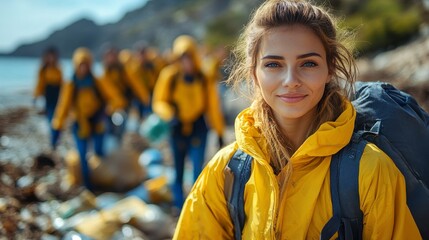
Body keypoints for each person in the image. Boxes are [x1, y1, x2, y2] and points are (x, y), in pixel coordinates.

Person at [173, 0, 421, 239]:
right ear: (253, 73)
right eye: (273, 65)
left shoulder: (370, 170)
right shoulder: (225, 172)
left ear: (330, 69)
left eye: (309, 63)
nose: (291, 80)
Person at [152, 35, 225, 211]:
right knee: (177, 171)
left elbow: (213, 107)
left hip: (198, 128)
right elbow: (158, 101)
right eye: (182, 59)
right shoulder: (169, 76)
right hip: (176, 128)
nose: (186, 63)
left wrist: (220, 131)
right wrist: (170, 115)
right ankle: (179, 206)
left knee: (197, 171)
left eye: (189, 58)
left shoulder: (204, 77)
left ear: (194, 57)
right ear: (177, 59)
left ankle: (195, 208)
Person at [52, 47, 125, 190]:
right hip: (80, 124)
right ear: (76, 65)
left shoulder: (98, 81)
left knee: (99, 153)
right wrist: (57, 127)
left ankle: (102, 179)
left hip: (98, 123)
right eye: (80, 65)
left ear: (90, 64)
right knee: (82, 155)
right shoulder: (70, 84)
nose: (83, 68)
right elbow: (63, 107)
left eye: (86, 65)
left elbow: (116, 98)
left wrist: (107, 111)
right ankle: (88, 184)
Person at [101, 46, 149, 142]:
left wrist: (145, 98)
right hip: (111, 104)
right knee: (109, 126)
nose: (111, 58)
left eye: (112, 56)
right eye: (109, 56)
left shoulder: (124, 70)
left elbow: (136, 84)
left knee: (121, 125)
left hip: (124, 103)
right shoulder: (105, 73)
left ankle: (118, 142)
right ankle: (112, 144)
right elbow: (106, 91)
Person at [33, 46, 63, 150]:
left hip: (57, 97)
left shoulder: (58, 69)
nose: (51, 58)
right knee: (51, 120)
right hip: (48, 98)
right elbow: (39, 83)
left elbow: (62, 84)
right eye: (49, 56)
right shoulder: (43, 69)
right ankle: (54, 140)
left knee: (59, 118)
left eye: (53, 56)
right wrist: (35, 96)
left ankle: (55, 138)